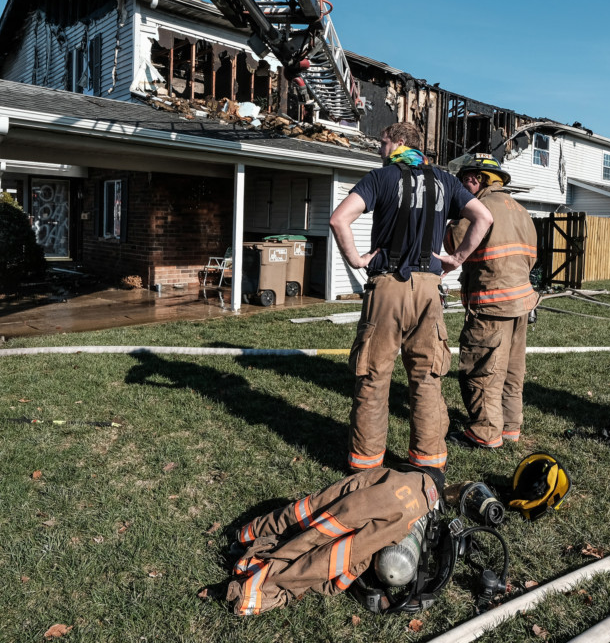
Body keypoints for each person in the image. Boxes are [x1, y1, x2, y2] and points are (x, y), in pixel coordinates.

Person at [329, 122, 492, 473]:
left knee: (373, 375)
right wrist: (457, 259)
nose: (379, 148)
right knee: (427, 376)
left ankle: (366, 464)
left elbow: (339, 219)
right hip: (429, 290)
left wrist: (356, 259)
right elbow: (484, 216)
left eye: (383, 142)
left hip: (387, 286)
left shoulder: (380, 178)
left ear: (400, 143)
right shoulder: (446, 182)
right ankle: (428, 461)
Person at [226, 466, 443, 615]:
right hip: (364, 533)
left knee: (304, 516)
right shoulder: (418, 513)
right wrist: (339, 582)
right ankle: (256, 590)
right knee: (327, 560)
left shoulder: (392, 475)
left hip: (347, 507)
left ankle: (245, 537)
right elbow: (360, 553)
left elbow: (349, 486)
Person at [443, 154, 539, 450]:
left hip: (491, 303)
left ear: (475, 179)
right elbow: (531, 257)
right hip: (522, 301)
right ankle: (509, 427)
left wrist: (449, 221)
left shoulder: (479, 207)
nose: (461, 187)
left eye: (462, 182)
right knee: (511, 368)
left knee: (481, 367)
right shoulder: (520, 209)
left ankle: (484, 433)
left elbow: (454, 244)